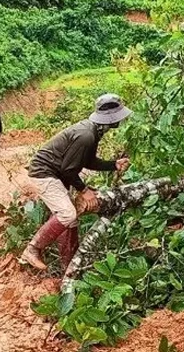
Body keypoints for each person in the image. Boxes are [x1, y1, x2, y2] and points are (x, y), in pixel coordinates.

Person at [20, 94, 131, 273]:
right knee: (67, 214)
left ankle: (69, 270)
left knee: (70, 221)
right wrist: (84, 190)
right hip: (45, 173)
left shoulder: (93, 131)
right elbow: (68, 170)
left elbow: (88, 161)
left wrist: (113, 165)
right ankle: (32, 249)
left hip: (56, 174)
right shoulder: (86, 135)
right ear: (111, 118)